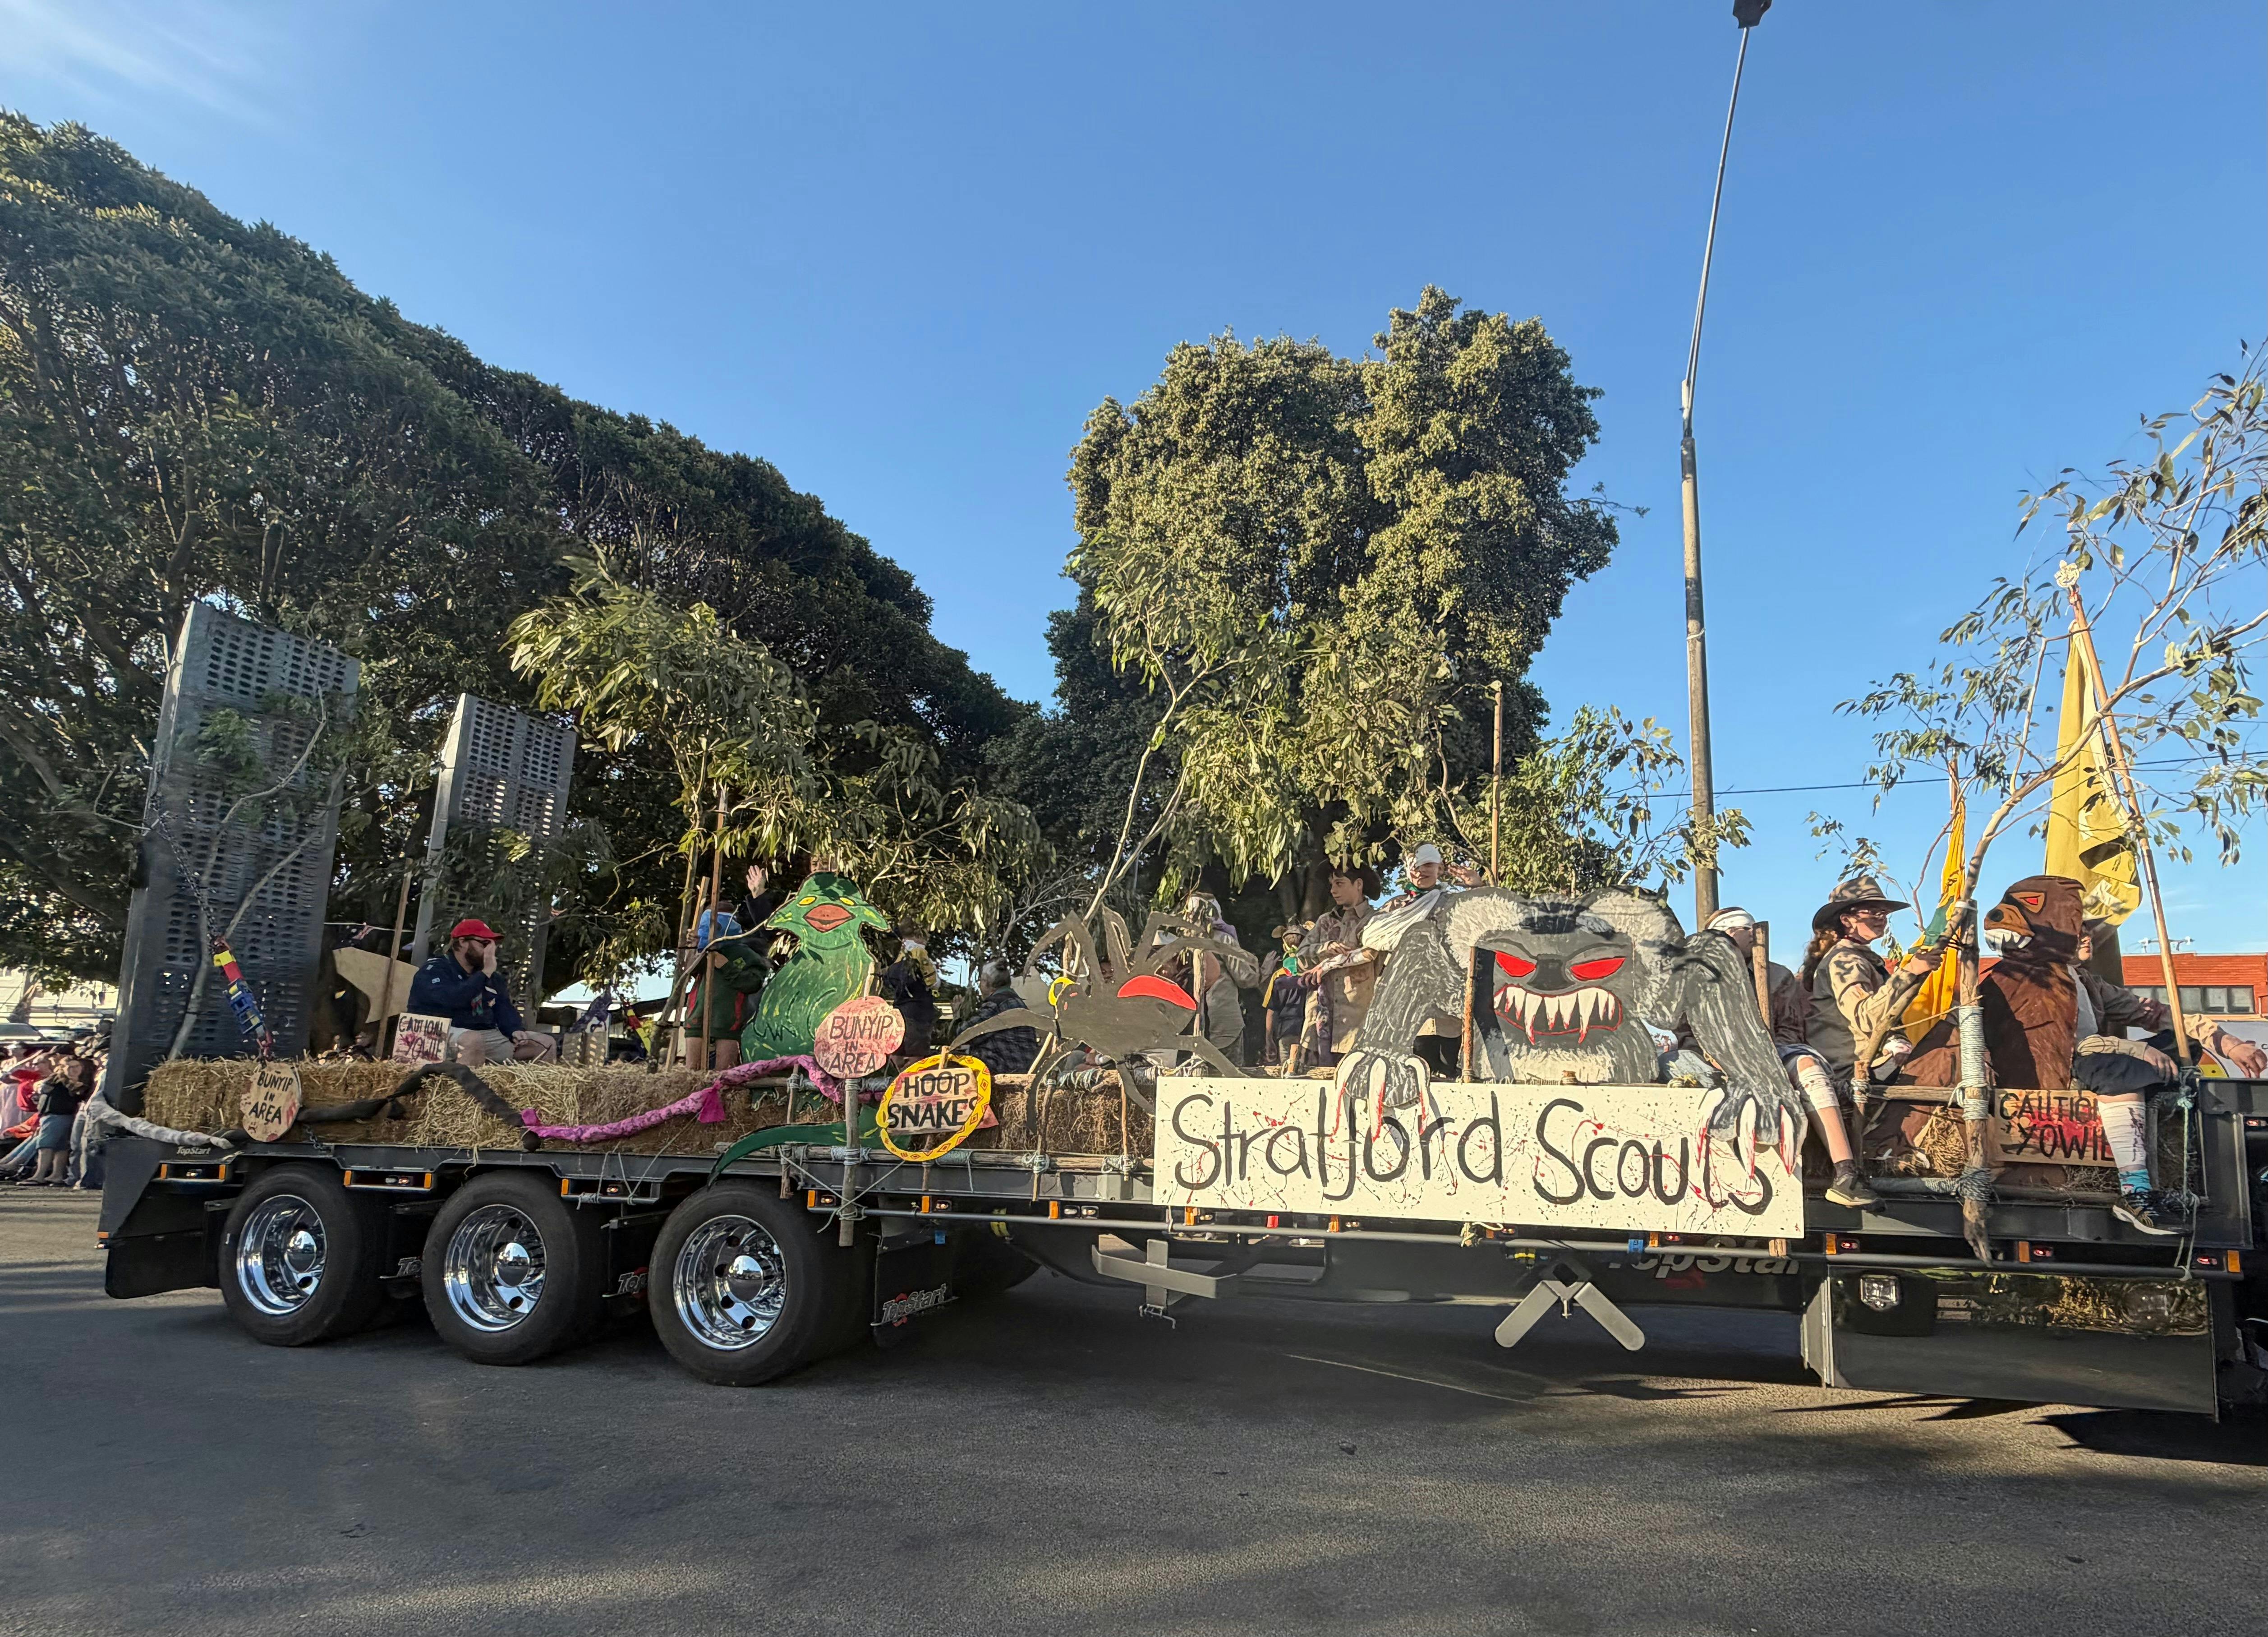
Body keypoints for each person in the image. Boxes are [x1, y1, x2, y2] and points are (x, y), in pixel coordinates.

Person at [1708, 906, 1877, 1208]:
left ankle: (1845, 1173)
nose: (1749, 935)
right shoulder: (1698, 977)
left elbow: (1790, 1030)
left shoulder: (1777, 976)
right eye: (1740, 929)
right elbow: (1687, 1034)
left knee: (1807, 1064)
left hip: (1772, 1053)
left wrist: (1765, 1054)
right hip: (1715, 1060)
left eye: (1751, 928)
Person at [1803, 876, 1936, 1090]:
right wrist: (1909, 972)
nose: (1881, 918)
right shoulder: (1844, 962)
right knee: (1941, 1064)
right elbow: (1867, 1017)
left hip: (1872, 1062)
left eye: (1883, 913)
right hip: (1851, 1071)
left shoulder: (1861, 958)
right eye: (1872, 911)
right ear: (1847, 920)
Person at [405, 918, 557, 1066]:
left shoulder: (491, 977)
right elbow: (452, 1000)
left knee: (545, 1044)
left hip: (481, 1034)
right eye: (485, 944)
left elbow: (503, 1007)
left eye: (493, 945)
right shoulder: (435, 969)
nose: (491, 950)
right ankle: (463, 1089)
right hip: (435, 1031)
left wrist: (514, 1030)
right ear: (463, 942)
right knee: (472, 1040)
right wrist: (485, 974)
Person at [1300, 865, 1382, 1069]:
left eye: (1340, 884)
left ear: (1359, 885)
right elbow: (1300, 959)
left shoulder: (1376, 921)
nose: (1333, 891)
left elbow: (1376, 958)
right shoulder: (1325, 921)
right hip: (1320, 1019)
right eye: (1331, 885)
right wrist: (1324, 949)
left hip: (1359, 1020)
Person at [689, 911, 768, 1070]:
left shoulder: (744, 954)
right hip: (697, 1019)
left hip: (728, 1022)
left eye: (712, 927)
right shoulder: (703, 953)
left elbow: (753, 983)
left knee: (724, 1076)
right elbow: (688, 971)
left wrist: (726, 966)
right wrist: (694, 949)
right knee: (692, 1075)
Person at [961, 961, 1040, 1078]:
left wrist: (959, 1013)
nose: (980, 985)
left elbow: (963, 1036)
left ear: (989, 983)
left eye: (982, 981)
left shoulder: (996, 1005)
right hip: (1023, 1069)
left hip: (1003, 1071)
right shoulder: (1016, 1002)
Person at [25, 1053, 90, 1185]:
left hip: (58, 1115)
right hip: (57, 1115)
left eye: (76, 1066)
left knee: (46, 1146)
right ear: (63, 1068)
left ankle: (40, 1175)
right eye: (70, 1067)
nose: (74, 1069)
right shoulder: (59, 1079)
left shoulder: (71, 1082)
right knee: (61, 1148)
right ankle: (56, 1175)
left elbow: (77, 1093)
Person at [880, 931, 942, 1055]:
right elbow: (933, 982)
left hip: (900, 1012)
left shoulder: (898, 956)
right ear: (917, 935)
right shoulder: (920, 953)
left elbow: (888, 980)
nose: (928, 938)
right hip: (919, 1014)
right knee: (916, 1056)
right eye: (926, 934)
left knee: (899, 1052)